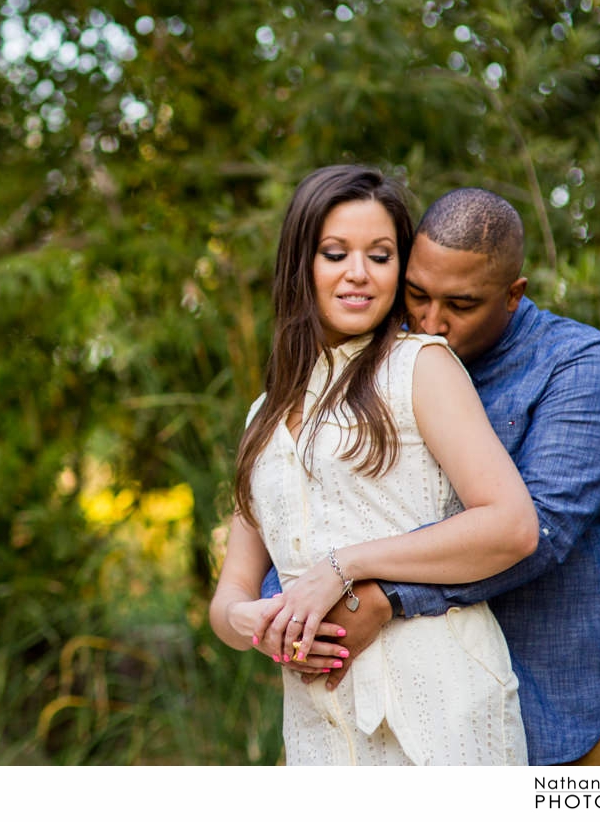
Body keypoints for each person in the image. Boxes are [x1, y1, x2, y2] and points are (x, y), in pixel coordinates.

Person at [264, 187, 600, 766]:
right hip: (437, 718)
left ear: (514, 295)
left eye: (461, 305)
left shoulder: (579, 365)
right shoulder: (383, 369)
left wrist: (384, 596)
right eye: (417, 295)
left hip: (569, 721)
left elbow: (538, 534)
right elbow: (318, 514)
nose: (431, 321)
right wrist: (291, 608)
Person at [210, 165, 540, 765]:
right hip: (321, 736)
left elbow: (511, 525)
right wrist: (256, 622)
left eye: (381, 256)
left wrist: (345, 566)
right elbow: (229, 594)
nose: (358, 273)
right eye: (335, 253)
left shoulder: (422, 366)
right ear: (300, 265)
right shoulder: (265, 411)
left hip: (444, 720)